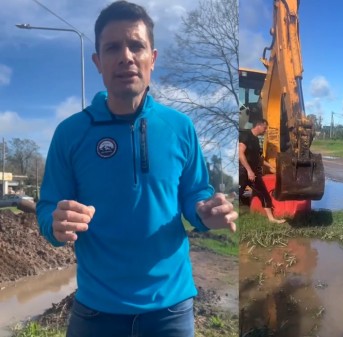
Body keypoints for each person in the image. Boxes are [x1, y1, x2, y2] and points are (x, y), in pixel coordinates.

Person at [35, 1, 237, 336]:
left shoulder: (180, 127)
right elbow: (46, 207)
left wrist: (204, 212)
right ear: (98, 61)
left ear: (152, 59)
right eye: (112, 47)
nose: (126, 56)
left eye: (136, 45)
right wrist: (54, 224)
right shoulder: (70, 133)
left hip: (170, 312)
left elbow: (195, 192)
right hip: (96, 311)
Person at [239, 118, 285, 223]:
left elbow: (258, 158)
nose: (266, 130)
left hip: (253, 173)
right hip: (242, 171)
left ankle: (272, 219)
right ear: (258, 126)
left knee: (264, 194)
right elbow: (240, 153)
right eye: (265, 127)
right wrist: (249, 170)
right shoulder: (245, 135)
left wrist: (270, 166)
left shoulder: (256, 140)